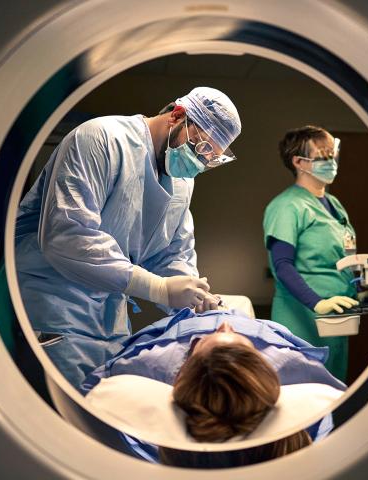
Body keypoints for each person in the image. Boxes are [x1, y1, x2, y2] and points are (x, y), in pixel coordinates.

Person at [14, 87, 242, 390]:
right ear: (177, 116)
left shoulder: (182, 182)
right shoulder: (100, 139)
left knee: (105, 412)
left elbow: (171, 253)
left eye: (212, 158)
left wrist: (195, 299)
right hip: (55, 310)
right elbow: (67, 235)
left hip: (110, 320)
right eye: (201, 149)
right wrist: (157, 288)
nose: (200, 163)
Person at [82, 310, 343, 467]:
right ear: (264, 363)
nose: (225, 323)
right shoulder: (292, 366)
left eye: (202, 342)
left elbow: (86, 399)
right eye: (245, 345)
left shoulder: (151, 364)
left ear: (183, 368)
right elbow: (345, 412)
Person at [262, 125, 362, 381]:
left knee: (332, 393)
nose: (331, 162)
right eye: (323, 156)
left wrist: (362, 286)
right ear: (299, 162)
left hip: (336, 318)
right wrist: (317, 302)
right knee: (302, 395)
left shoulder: (334, 204)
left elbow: (345, 254)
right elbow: (282, 266)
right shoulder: (287, 206)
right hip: (303, 318)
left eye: (333, 155)